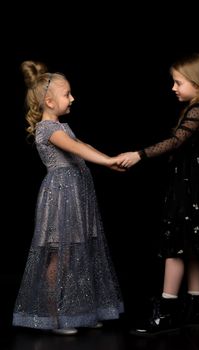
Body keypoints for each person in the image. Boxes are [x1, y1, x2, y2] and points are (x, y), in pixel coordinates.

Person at [117, 53, 199, 335]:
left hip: (190, 191)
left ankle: (167, 311)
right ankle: (196, 306)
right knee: (192, 248)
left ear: (198, 83)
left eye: (178, 82)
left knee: (175, 247)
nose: (173, 88)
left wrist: (139, 155)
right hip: (196, 190)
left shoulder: (198, 110)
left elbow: (175, 141)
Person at [13, 60, 125, 335]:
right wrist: (107, 160)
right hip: (61, 195)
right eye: (67, 94)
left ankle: (82, 313)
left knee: (81, 252)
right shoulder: (47, 129)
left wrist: (107, 161)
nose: (72, 98)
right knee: (59, 257)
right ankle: (54, 317)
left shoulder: (63, 126)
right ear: (49, 101)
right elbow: (74, 147)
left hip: (77, 193)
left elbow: (83, 146)